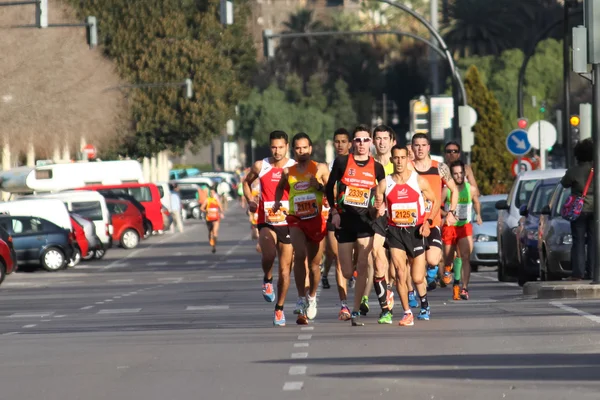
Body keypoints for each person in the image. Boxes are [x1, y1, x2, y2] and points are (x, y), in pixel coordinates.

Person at [326, 125, 386, 326]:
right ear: (353, 143)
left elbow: (383, 189)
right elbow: (329, 187)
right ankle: (351, 285)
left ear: (370, 143)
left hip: (365, 222)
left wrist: (380, 203)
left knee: (363, 265)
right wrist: (334, 211)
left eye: (365, 140)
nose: (361, 144)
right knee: (345, 271)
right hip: (344, 221)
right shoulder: (342, 162)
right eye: (358, 140)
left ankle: (355, 310)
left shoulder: (377, 167)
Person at [375, 145, 439, 326]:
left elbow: (434, 201)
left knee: (417, 277)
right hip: (395, 232)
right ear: (392, 160)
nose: (400, 161)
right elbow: (377, 204)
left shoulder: (417, 181)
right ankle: (407, 312)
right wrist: (377, 209)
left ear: (407, 159)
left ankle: (424, 304)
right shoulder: (384, 183)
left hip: (415, 231)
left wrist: (427, 222)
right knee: (400, 273)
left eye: (403, 158)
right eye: (396, 158)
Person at [274, 132, 329, 324]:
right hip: (295, 217)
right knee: (299, 255)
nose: (301, 151)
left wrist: (320, 186)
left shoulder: (320, 168)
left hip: (315, 219)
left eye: (305, 147)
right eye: (298, 148)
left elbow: (333, 190)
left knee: (315, 265)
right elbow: (280, 187)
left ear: (311, 149)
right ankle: (299, 297)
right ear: (293, 150)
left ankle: (311, 297)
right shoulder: (289, 171)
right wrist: (276, 202)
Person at [243, 131, 295, 326]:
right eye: (274, 147)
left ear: (287, 146)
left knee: (285, 270)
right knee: (268, 255)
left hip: (288, 222)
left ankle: (279, 309)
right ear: (269, 146)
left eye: (281, 147)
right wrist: (250, 200)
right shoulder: (260, 165)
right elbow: (246, 182)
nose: (277, 151)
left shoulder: (293, 167)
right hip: (266, 219)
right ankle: (267, 278)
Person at [411, 133, 458, 291]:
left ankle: (432, 273)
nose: (420, 149)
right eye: (417, 145)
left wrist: (451, 212)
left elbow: (454, 190)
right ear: (412, 147)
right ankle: (417, 295)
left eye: (423, 145)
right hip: (412, 222)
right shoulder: (408, 168)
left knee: (432, 260)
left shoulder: (439, 167)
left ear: (428, 147)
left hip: (432, 222)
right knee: (414, 265)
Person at [321, 128, 354, 320]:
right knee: (338, 259)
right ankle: (344, 305)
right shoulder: (329, 166)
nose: (340, 145)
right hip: (336, 216)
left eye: (344, 141)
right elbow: (326, 188)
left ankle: (359, 296)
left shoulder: (358, 163)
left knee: (357, 260)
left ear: (350, 144)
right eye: (337, 141)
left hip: (358, 217)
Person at [366, 124, 397, 324]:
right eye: (378, 138)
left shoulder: (400, 163)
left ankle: (390, 289)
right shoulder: (366, 164)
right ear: (372, 141)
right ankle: (385, 307)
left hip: (398, 219)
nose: (382, 142)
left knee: (395, 268)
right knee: (378, 259)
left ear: (392, 141)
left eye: (385, 138)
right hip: (375, 218)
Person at [441, 160, 481, 300]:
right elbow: (438, 207)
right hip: (450, 227)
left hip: (464, 226)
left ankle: (464, 288)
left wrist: (479, 215)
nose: (458, 176)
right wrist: (447, 214)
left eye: (461, 173)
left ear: (464, 173)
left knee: (465, 256)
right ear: (451, 175)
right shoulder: (447, 190)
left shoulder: (470, 189)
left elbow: (476, 201)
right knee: (448, 256)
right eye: (455, 174)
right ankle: (447, 268)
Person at [561, 138, 595, 280]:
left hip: (578, 211)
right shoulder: (596, 169)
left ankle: (578, 273)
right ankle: (594, 272)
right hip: (596, 210)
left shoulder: (574, 171)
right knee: (594, 242)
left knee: (578, 242)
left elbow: (564, 183)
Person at [200, 188, 224, 253]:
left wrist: (221, 213)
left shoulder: (216, 200)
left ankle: (214, 246)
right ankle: (211, 240)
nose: (212, 194)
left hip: (216, 218)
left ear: (215, 193)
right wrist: (206, 210)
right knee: (210, 232)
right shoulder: (207, 200)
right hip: (209, 218)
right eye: (210, 193)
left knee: (215, 232)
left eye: (213, 193)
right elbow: (201, 208)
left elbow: (221, 207)